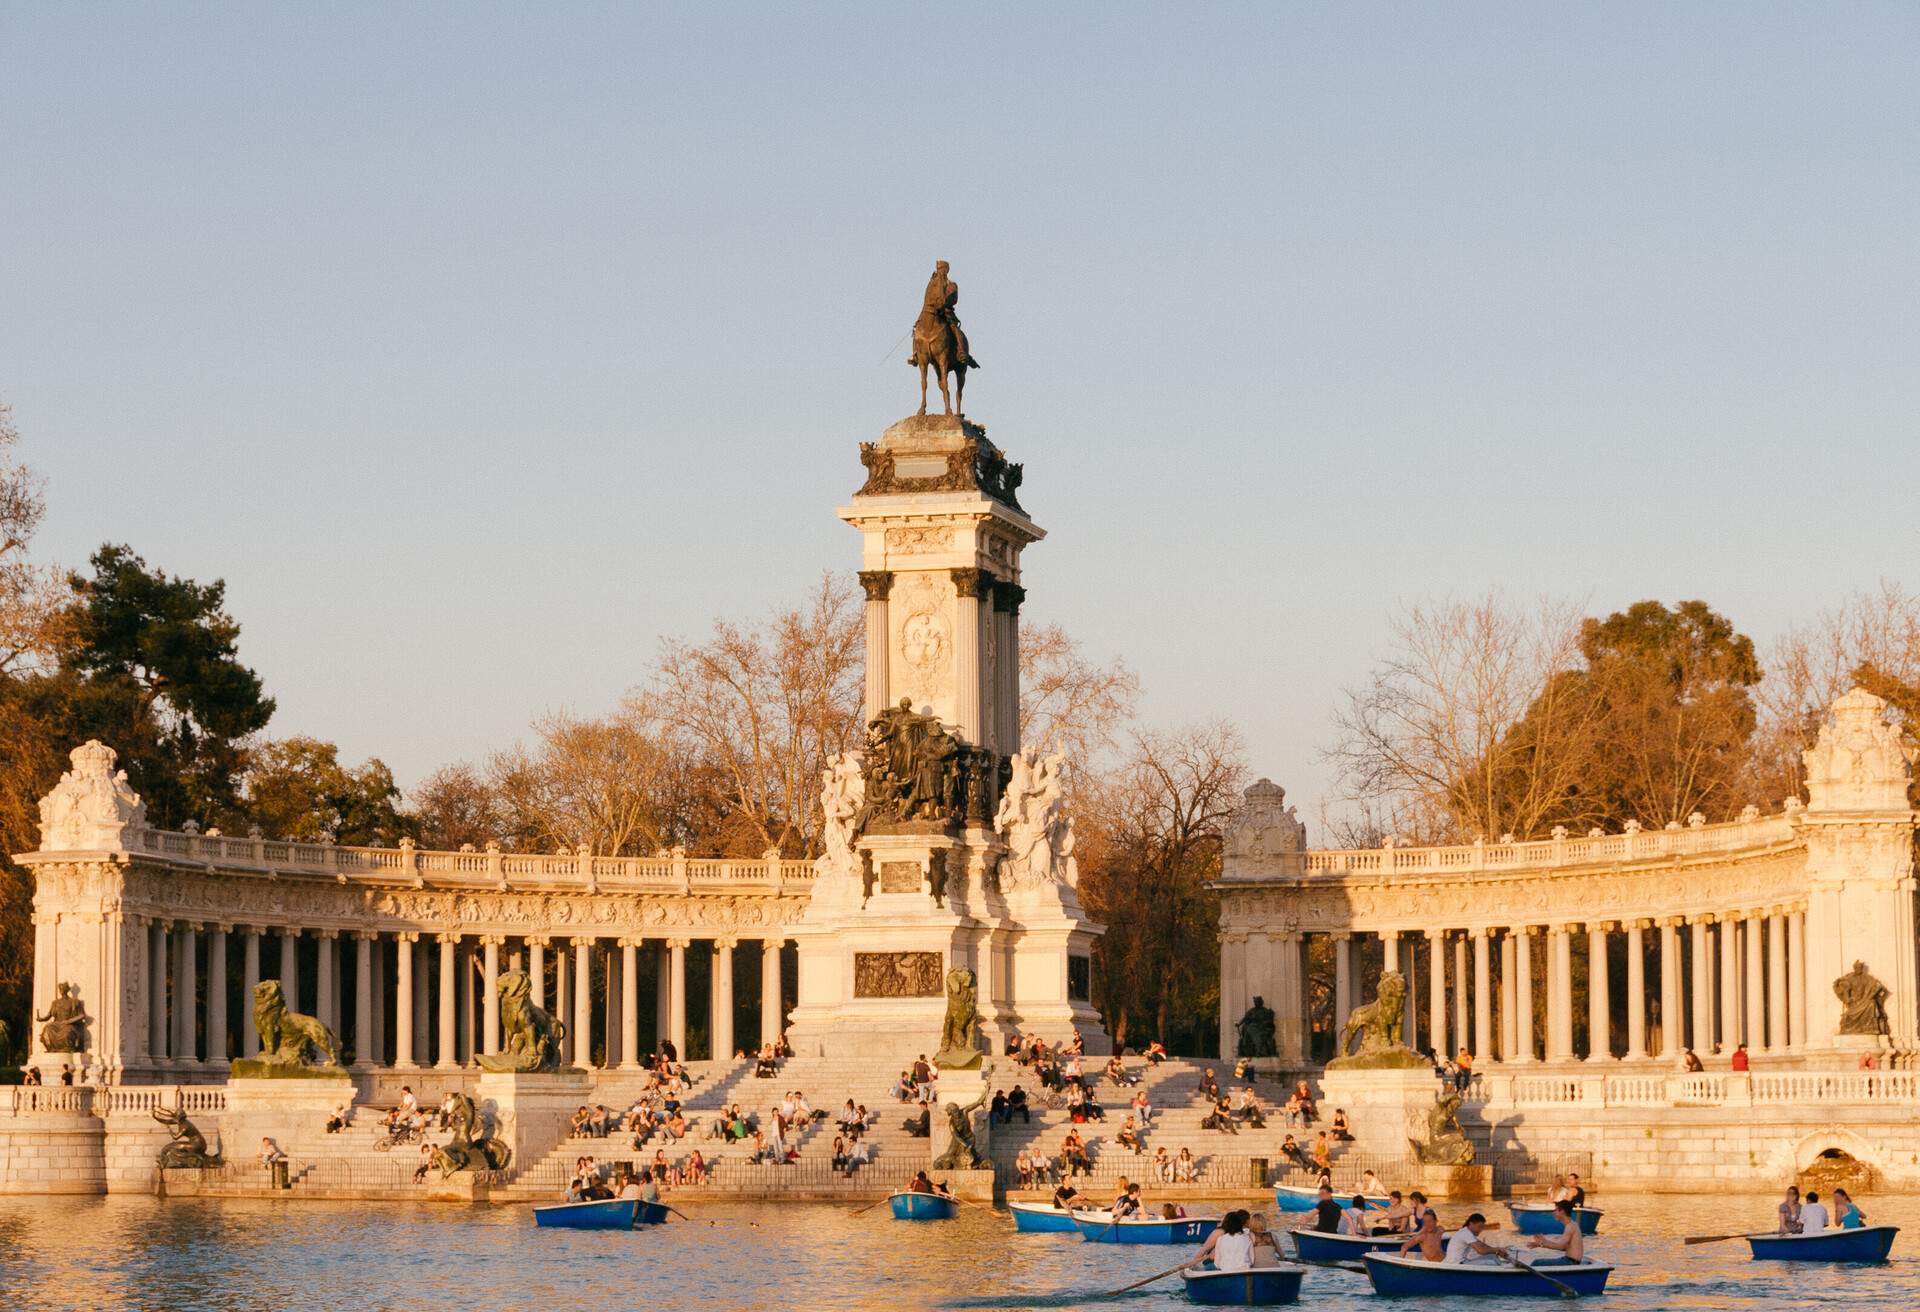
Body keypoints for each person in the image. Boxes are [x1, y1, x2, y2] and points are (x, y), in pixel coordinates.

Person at [1445, 1214, 1512, 1265]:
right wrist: (1497, 1249)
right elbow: (1481, 1251)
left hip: (1462, 1262)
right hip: (1458, 1264)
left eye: (1482, 1227)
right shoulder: (1466, 1233)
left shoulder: (1466, 1232)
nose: (1481, 1230)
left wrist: (1498, 1252)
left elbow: (1483, 1245)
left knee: (1493, 1256)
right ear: (1471, 1224)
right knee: (1492, 1262)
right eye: (1479, 1227)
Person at [1398, 1192, 1443, 1261]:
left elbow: (1440, 1228)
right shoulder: (1422, 1236)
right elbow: (1404, 1247)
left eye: (1430, 1221)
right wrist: (1400, 1264)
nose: (1428, 1224)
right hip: (1435, 1264)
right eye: (1426, 1222)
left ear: (1436, 1221)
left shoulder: (1440, 1230)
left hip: (1444, 1261)